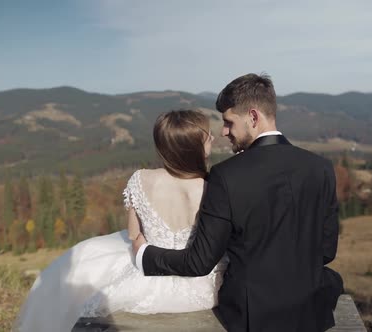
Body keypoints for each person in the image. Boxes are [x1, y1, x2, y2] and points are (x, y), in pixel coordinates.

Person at [133, 73, 344, 332]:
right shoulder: (321, 168)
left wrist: (144, 254)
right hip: (310, 309)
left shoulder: (226, 175)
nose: (224, 131)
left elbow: (199, 262)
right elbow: (326, 251)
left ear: (253, 117)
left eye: (229, 122)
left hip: (251, 315)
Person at [14, 110, 227, 332]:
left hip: (148, 278)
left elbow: (134, 234)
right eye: (207, 136)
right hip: (200, 287)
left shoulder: (141, 179)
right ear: (193, 147)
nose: (212, 138)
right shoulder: (214, 188)